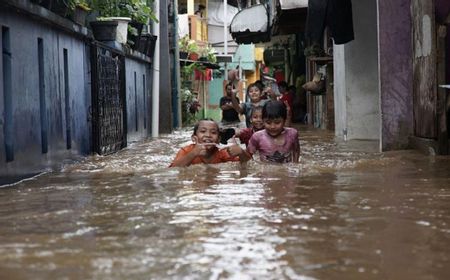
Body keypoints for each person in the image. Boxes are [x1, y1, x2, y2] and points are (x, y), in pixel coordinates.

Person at [170, 119, 250, 167]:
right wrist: (193, 153)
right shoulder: (186, 151)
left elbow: (247, 164)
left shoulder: (222, 153)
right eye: (203, 131)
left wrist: (241, 152)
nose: (208, 135)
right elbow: (173, 169)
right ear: (194, 138)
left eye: (213, 132)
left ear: (218, 140)